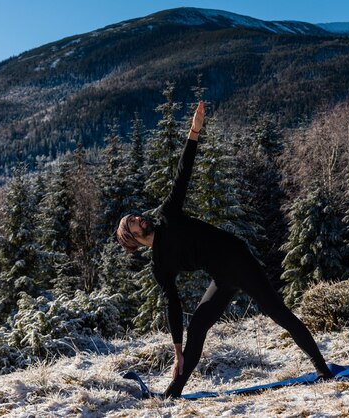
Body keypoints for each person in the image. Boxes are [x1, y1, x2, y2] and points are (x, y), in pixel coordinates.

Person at [116, 101, 333, 398]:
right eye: (133, 223)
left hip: (238, 259)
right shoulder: (159, 264)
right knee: (198, 327)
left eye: (136, 216)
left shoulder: (168, 216)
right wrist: (177, 352)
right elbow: (173, 305)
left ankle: (323, 369)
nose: (139, 218)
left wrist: (194, 132)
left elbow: (183, 174)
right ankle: (173, 393)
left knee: (279, 314)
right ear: (132, 239)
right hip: (221, 275)